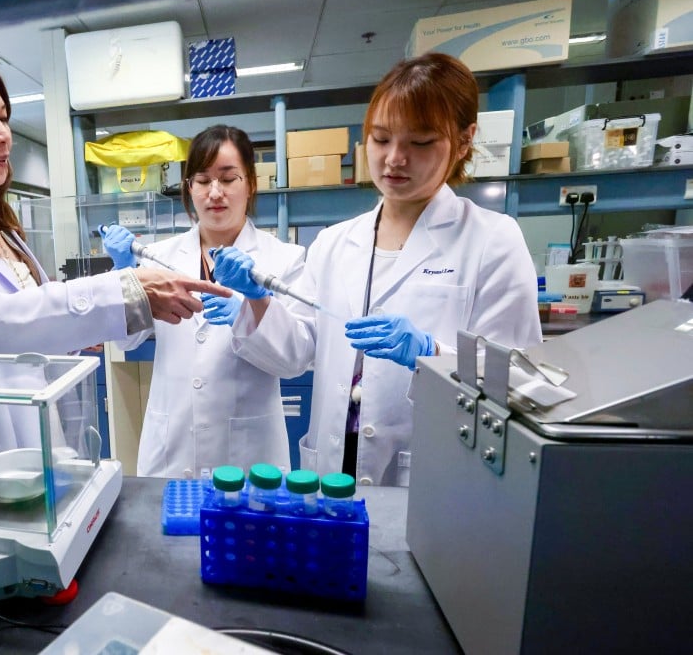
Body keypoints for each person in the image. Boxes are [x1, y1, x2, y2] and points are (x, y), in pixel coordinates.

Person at [213, 52, 542, 487]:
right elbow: (296, 354)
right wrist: (257, 302)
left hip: (430, 470)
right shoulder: (334, 242)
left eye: (420, 142)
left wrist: (430, 353)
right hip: (332, 467)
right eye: (381, 139)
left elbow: (522, 379)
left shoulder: (492, 240)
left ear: (464, 141)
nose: (394, 159)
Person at [0, 54, 230, 451]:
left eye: (4, 118)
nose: (3, 134)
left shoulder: (3, 228)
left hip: (42, 436)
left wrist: (81, 329)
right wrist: (116, 293)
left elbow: (24, 322)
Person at [101, 125, 306, 477]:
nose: (215, 193)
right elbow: (125, 340)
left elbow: (294, 362)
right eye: (202, 180)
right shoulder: (156, 257)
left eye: (228, 179)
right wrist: (124, 275)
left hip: (249, 453)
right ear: (189, 188)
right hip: (174, 445)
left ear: (251, 183)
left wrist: (253, 307)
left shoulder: (284, 259)